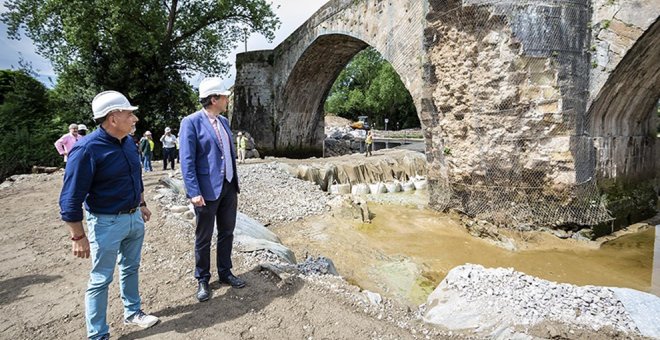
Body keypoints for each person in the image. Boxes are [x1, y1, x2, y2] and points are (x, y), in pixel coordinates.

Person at [59, 90, 159, 339]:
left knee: (131, 267)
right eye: (129, 114)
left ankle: (133, 312)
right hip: (105, 222)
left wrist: (142, 202)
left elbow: (134, 176)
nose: (135, 119)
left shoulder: (128, 142)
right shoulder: (86, 150)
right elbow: (70, 198)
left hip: (134, 217)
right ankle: (98, 334)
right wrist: (77, 236)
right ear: (113, 118)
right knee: (101, 279)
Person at [179, 77, 244, 303]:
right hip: (206, 190)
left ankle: (225, 272)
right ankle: (203, 279)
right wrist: (193, 191)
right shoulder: (191, 122)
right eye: (224, 96)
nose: (228, 99)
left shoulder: (224, 121)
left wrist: (233, 181)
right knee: (204, 236)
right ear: (214, 99)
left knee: (227, 232)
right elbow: (187, 161)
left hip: (228, 186)